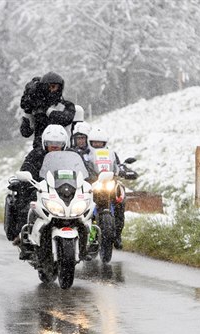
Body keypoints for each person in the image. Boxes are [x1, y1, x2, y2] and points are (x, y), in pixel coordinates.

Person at [11, 124, 91, 260]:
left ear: (64, 144)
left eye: (58, 143)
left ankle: (88, 244)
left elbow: (83, 171)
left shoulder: (72, 155)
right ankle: (25, 239)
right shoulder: (36, 155)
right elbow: (26, 169)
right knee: (26, 205)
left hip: (66, 192)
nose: (54, 146)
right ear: (44, 143)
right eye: (51, 143)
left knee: (88, 209)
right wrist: (26, 180)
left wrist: (90, 180)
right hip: (41, 191)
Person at [86, 126, 130, 249]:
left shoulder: (112, 154)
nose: (98, 145)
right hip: (93, 183)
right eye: (95, 143)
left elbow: (118, 166)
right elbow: (82, 167)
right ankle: (88, 236)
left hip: (109, 183)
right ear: (90, 142)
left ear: (105, 143)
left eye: (100, 143)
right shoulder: (86, 155)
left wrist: (123, 171)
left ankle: (118, 235)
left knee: (120, 202)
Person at [19, 71, 76, 149]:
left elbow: (65, 119)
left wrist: (45, 110)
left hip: (63, 150)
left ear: (59, 88)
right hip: (40, 152)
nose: (50, 90)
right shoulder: (36, 108)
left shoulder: (67, 105)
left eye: (53, 87)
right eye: (47, 87)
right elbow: (25, 132)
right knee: (29, 161)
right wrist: (28, 110)